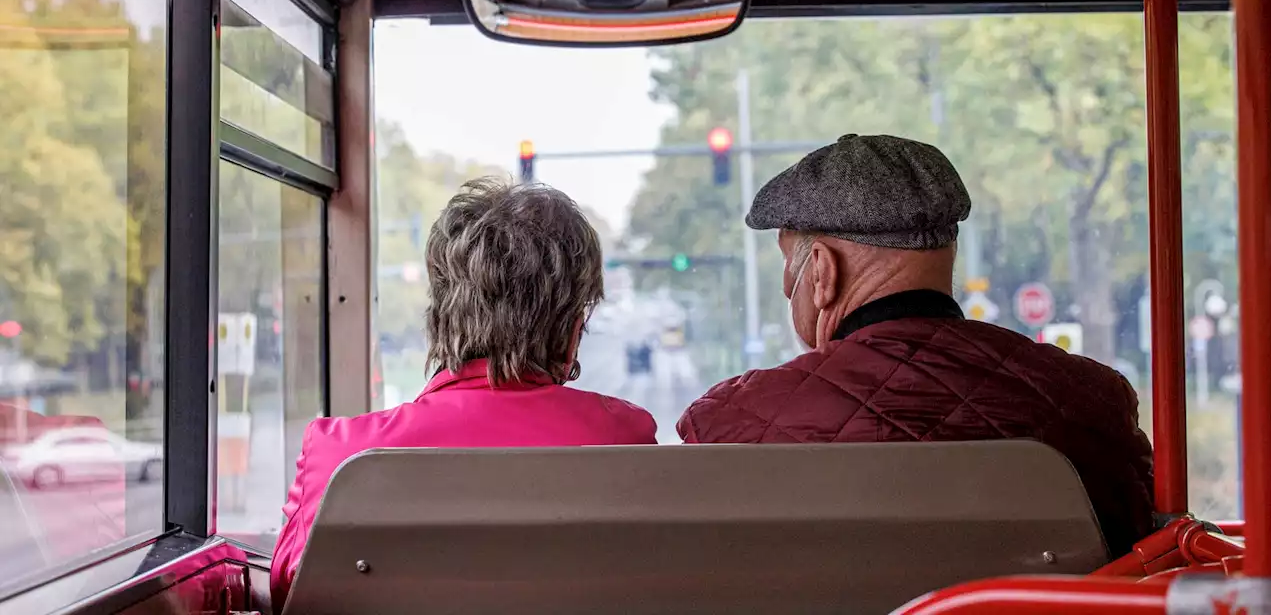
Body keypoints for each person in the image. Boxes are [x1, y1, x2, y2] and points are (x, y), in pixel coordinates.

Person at [677, 134, 1155, 558]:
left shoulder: (731, 421)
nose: (787, 288)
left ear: (821, 272)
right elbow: (1142, 554)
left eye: (788, 267)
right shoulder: (1094, 399)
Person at [271, 178, 657, 608]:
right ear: (569, 333)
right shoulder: (627, 440)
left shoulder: (337, 454)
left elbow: (292, 594)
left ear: (439, 319)